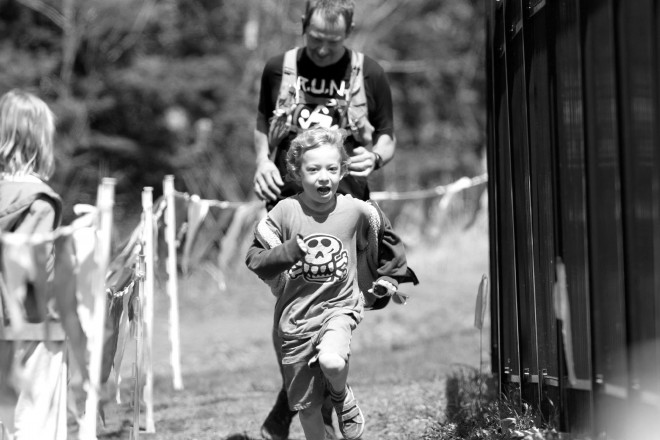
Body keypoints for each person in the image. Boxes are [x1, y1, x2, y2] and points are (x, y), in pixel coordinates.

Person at [252, 1, 398, 438]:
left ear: (348, 32)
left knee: (333, 303)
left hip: (345, 208)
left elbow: (388, 137)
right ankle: (308, 408)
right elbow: (262, 122)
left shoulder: (368, 72)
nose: (321, 48)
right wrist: (260, 161)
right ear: (303, 27)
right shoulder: (278, 68)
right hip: (288, 205)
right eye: (314, 38)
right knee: (295, 307)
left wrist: (374, 157)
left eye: (332, 41)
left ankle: (298, 410)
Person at [246, 127, 409, 440]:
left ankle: (341, 397)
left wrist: (388, 277)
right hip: (294, 321)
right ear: (296, 171)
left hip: (340, 308)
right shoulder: (284, 211)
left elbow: (387, 239)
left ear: (342, 170)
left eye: (332, 169)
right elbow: (255, 258)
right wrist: (289, 251)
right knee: (306, 409)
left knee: (332, 361)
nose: (324, 177)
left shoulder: (355, 210)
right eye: (314, 169)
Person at [0, 89, 66, 439]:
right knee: (37, 418)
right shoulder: (40, 200)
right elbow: (35, 269)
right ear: (41, 141)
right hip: (33, 324)